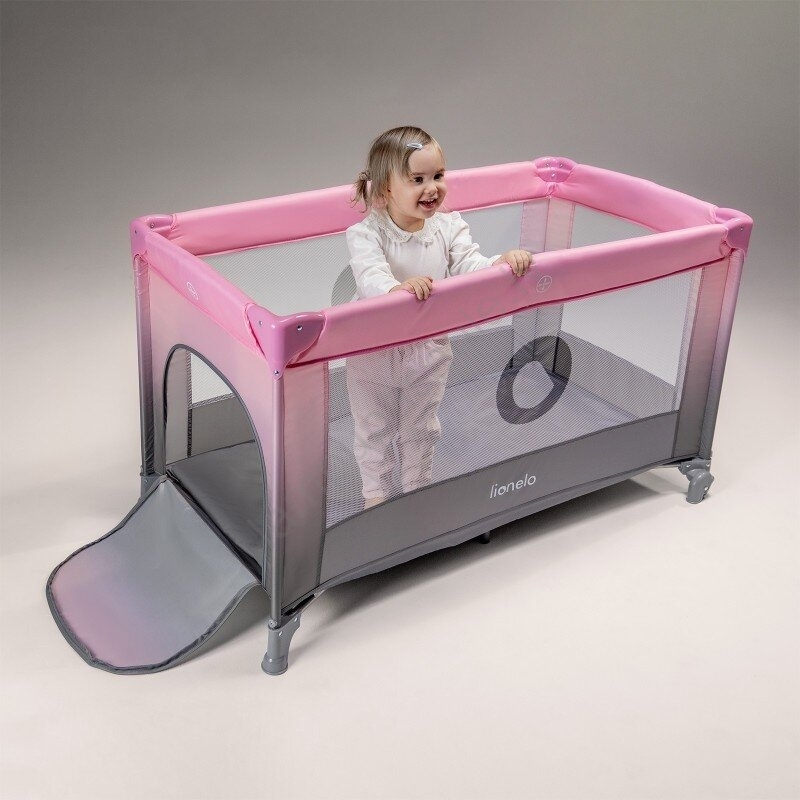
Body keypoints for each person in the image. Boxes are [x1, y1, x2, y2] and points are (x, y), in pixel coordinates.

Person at [346, 126, 532, 509]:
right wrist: (396, 289)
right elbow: (369, 276)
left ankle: (417, 489)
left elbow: (469, 264)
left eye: (438, 176)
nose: (432, 188)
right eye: (417, 180)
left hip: (429, 346)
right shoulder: (366, 233)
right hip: (373, 348)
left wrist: (498, 263)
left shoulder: (448, 226)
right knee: (374, 427)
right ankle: (375, 496)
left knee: (421, 425)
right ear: (386, 189)